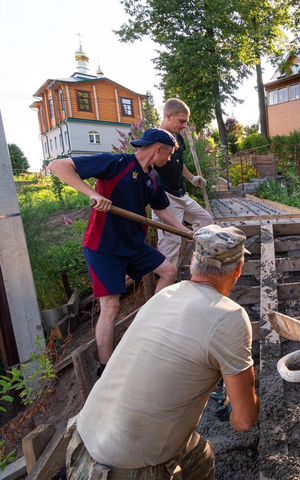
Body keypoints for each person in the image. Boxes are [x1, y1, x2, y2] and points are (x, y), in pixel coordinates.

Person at [66, 225, 260, 479]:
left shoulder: (166, 294)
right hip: (126, 469)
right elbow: (243, 421)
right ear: (239, 269)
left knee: (200, 455)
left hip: (82, 442)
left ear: (193, 262)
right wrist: (248, 396)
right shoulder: (230, 317)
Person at [49, 128, 192, 373]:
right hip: (104, 247)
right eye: (168, 154)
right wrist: (92, 193)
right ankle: (106, 367)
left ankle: (148, 321)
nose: (169, 160)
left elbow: (163, 211)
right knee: (111, 306)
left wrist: (185, 231)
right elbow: (58, 166)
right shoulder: (115, 163)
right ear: (159, 149)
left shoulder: (153, 179)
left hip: (133, 245)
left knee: (168, 271)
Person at [152, 98, 213, 267]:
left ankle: (199, 262)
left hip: (181, 193)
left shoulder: (178, 137)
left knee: (205, 220)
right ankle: (166, 283)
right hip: (166, 198)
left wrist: (192, 178)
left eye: (186, 121)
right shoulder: (154, 138)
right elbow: (146, 167)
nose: (185, 125)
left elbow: (179, 163)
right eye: (181, 121)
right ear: (168, 116)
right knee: (171, 243)